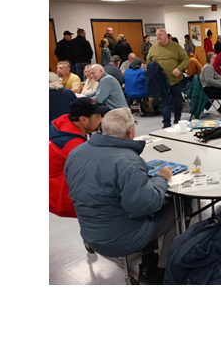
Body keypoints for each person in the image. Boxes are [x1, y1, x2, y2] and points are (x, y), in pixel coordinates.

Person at [64, 108, 181, 284]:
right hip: (120, 240)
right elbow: (145, 206)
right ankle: (162, 271)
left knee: (136, 202)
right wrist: (161, 179)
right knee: (175, 209)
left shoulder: (75, 153)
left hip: (89, 233)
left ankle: (148, 259)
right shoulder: (127, 161)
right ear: (130, 131)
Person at [50, 97, 109, 218]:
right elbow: (97, 171)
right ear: (83, 120)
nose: (101, 120)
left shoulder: (61, 125)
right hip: (61, 197)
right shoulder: (73, 144)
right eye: (98, 116)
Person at [146, 28, 190, 127]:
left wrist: (179, 69)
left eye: (160, 35)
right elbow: (149, 62)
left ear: (166, 36)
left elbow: (186, 59)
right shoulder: (153, 49)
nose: (158, 37)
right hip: (161, 81)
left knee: (177, 100)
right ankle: (166, 122)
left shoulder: (176, 47)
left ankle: (177, 117)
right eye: (156, 35)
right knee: (164, 102)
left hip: (175, 80)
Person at [200, 52, 221, 117]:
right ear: (209, 59)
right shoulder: (208, 67)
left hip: (215, 87)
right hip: (209, 89)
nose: (215, 59)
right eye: (212, 58)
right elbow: (209, 80)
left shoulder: (216, 66)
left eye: (215, 57)